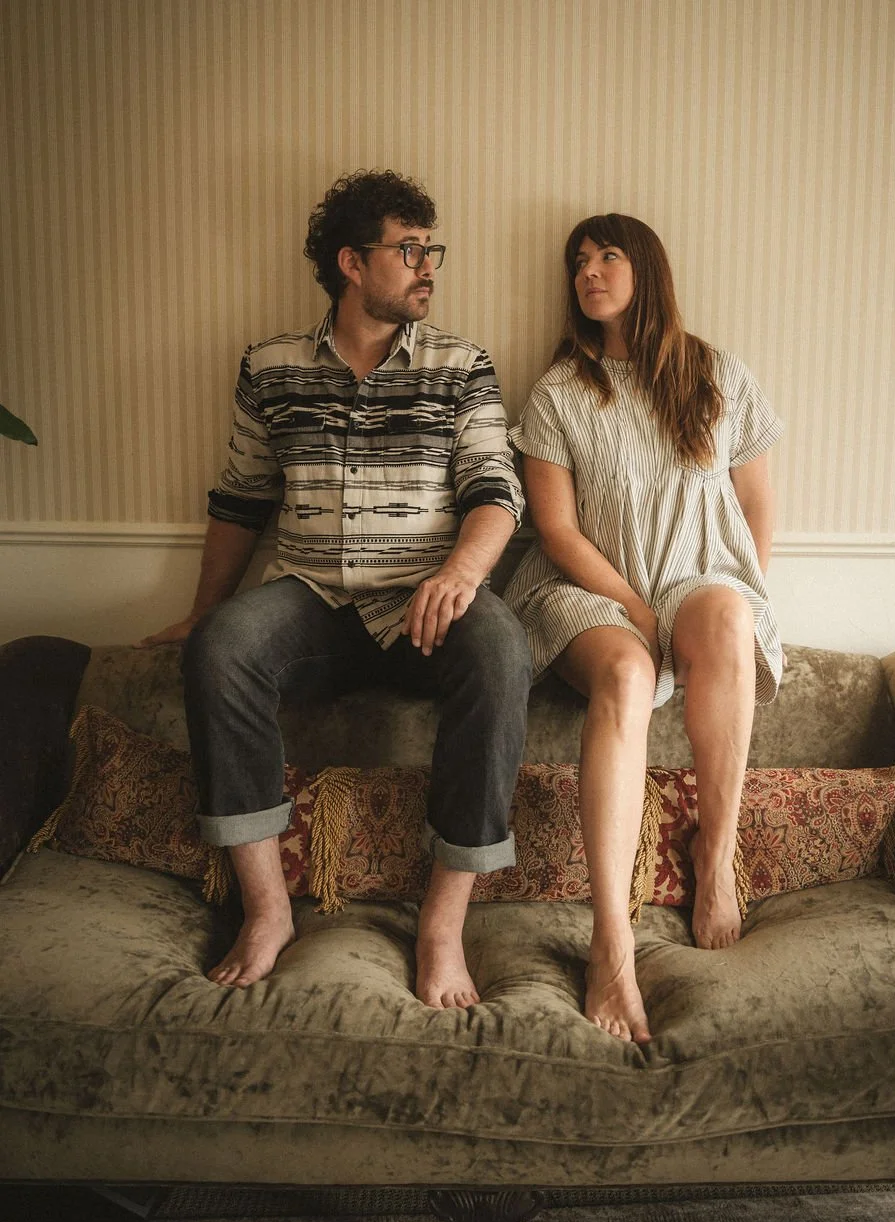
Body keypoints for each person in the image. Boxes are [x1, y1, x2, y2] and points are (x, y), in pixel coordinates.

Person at [140, 169, 531, 1007]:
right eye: (410, 249)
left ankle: (441, 926)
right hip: (310, 603)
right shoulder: (270, 366)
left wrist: (461, 575)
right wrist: (206, 615)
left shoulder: (463, 367)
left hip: (423, 606)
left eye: (432, 249)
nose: (429, 266)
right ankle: (268, 911)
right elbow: (242, 499)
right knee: (222, 647)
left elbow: (497, 493)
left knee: (500, 648)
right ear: (353, 263)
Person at [503, 213, 784, 1044]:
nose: (589, 272)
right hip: (585, 588)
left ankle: (714, 855)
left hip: (693, 577)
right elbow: (555, 531)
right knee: (627, 674)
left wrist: (748, 585)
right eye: (578, 262)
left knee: (730, 612)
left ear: (646, 267)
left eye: (607, 256)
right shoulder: (559, 392)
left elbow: (754, 500)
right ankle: (612, 941)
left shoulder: (716, 375)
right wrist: (635, 608)